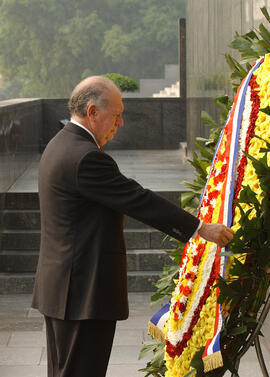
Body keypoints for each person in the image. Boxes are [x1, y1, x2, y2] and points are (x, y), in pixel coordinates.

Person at [32, 76, 234, 377]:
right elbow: (137, 199)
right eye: (116, 114)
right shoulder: (85, 157)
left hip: (64, 290)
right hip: (81, 294)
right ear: (93, 112)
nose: (121, 122)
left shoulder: (60, 144)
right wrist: (201, 228)